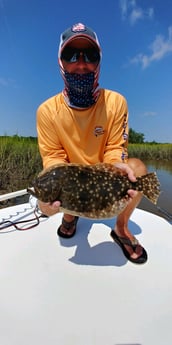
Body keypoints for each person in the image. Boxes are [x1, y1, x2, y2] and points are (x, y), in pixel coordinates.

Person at [36, 22, 148, 264]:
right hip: (70, 176)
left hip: (103, 172)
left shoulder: (116, 102)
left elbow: (115, 148)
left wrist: (117, 167)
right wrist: (45, 200)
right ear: (61, 61)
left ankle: (120, 228)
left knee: (137, 169)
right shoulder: (47, 111)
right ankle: (69, 216)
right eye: (71, 55)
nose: (81, 63)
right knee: (58, 184)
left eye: (90, 55)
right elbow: (54, 159)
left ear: (99, 62)